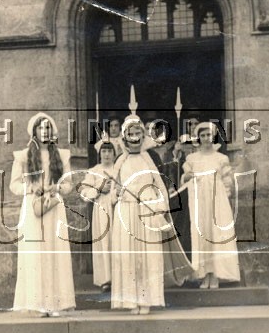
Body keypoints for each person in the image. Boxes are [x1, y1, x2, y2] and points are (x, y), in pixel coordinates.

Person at [9, 112, 75, 316]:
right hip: (33, 207)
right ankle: (38, 304)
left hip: (54, 206)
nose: (45, 132)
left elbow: (69, 183)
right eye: (41, 128)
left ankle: (55, 304)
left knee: (54, 252)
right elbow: (14, 184)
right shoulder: (23, 156)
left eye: (48, 128)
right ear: (34, 132)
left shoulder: (61, 155)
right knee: (36, 253)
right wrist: (31, 187)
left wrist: (58, 188)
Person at [110, 115, 175, 315]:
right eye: (131, 133)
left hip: (146, 210)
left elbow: (160, 185)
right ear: (125, 136)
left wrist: (161, 207)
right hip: (127, 210)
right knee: (128, 254)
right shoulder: (120, 160)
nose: (134, 137)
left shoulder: (149, 158)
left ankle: (146, 299)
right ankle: (131, 300)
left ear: (143, 135)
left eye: (138, 132)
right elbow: (112, 187)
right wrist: (116, 194)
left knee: (147, 254)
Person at [182, 122, 240, 289]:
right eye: (203, 136)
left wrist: (225, 201)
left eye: (209, 135)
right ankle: (204, 274)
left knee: (216, 235)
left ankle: (215, 274)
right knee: (202, 234)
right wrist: (188, 177)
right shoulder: (192, 159)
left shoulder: (221, 159)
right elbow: (185, 179)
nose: (206, 139)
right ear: (198, 138)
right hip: (199, 201)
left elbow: (227, 182)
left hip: (217, 201)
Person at [79, 141, 117, 292]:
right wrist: (99, 189)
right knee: (103, 242)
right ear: (99, 154)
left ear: (114, 153)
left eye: (109, 151)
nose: (106, 154)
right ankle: (105, 279)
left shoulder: (118, 168)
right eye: (104, 151)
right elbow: (84, 193)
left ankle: (120, 277)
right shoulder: (94, 171)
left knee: (117, 241)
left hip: (116, 207)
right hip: (101, 208)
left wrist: (114, 191)